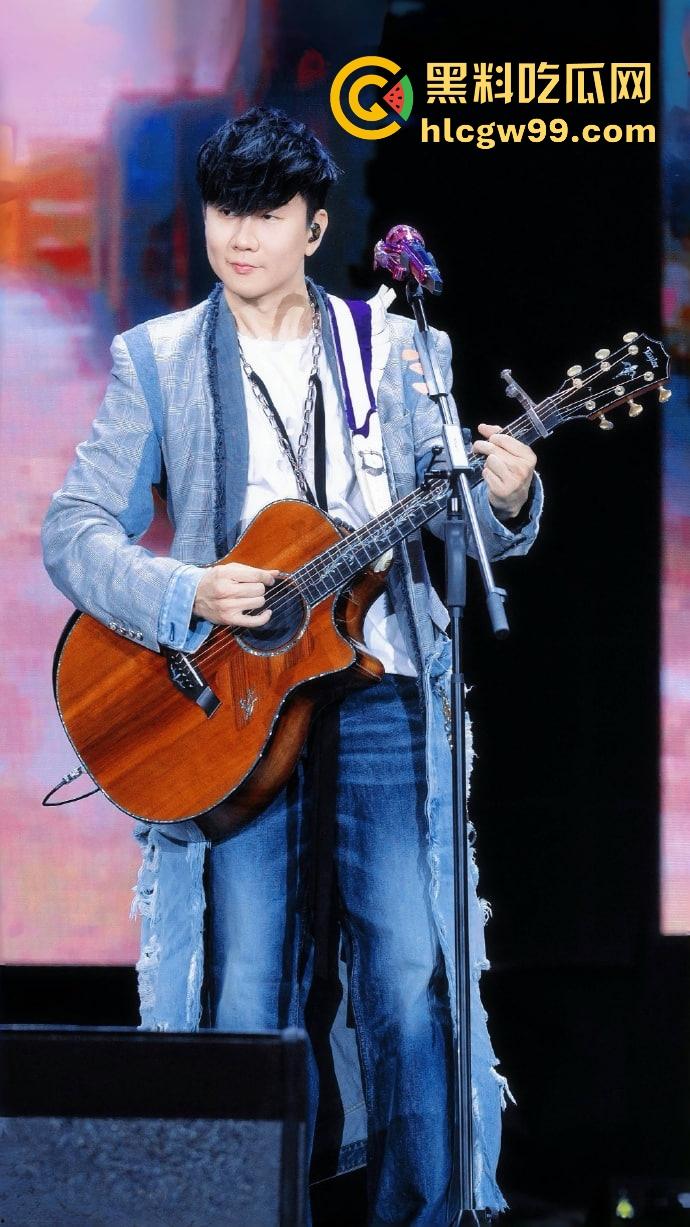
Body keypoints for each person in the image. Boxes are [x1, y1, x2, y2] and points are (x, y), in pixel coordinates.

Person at [42, 106, 542, 1226]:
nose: (241, 235)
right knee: (245, 983)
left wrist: (507, 502)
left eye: (267, 213)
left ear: (315, 227)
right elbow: (72, 530)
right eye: (225, 211)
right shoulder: (158, 358)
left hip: (376, 682)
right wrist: (187, 590)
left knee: (409, 970)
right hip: (231, 692)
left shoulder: (399, 351)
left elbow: (455, 525)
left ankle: (425, 1214)